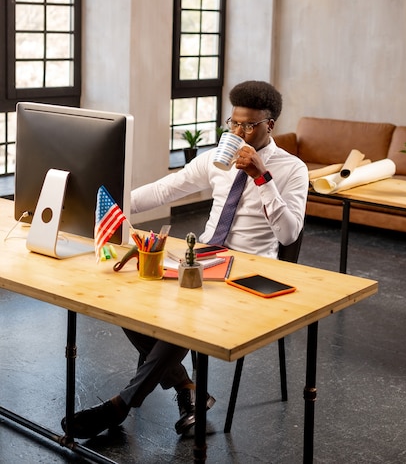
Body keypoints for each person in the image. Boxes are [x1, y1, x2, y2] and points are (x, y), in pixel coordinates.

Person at [61, 80, 308, 440]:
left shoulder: (292, 170)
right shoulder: (216, 159)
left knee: (185, 317)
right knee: (128, 302)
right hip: (204, 255)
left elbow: (288, 234)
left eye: (249, 125)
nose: (239, 132)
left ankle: (123, 403)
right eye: (233, 123)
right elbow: (164, 190)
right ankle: (188, 390)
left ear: (270, 125)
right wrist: (110, 200)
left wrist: (261, 177)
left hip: (250, 269)